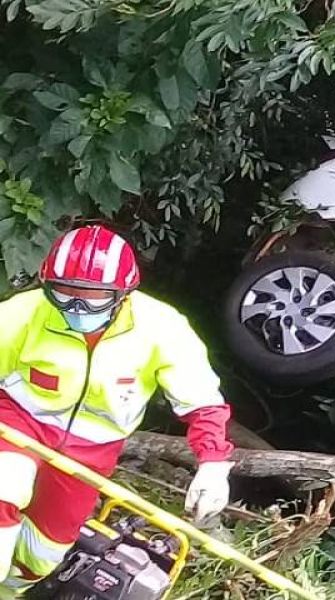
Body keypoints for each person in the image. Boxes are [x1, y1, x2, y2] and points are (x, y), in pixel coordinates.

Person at [0, 225, 234, 598]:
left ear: (124, 294)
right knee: (4, 489)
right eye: (64, 293)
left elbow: (202, 401)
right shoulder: (23, 313)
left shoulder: (162, 329)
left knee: (43, 552)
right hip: (17, 427)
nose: (76, 308)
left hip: (91, 454)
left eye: (92, 298)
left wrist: (212, 464)